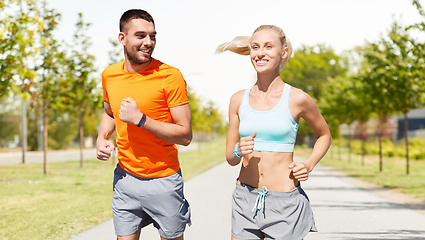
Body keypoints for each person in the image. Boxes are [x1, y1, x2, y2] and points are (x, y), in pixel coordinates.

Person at [217, 25, 332, 240]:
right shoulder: (237, 100)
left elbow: (324, 135)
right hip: (245, 198)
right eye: (255, 47)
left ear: (284, 52)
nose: (260, 53)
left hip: (284, 204)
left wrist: (308, 164)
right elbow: (231, 159)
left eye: (268, 47)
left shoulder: (298, 99)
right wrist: (239, 149)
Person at [96, 9, 192, 240]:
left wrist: (141, 120)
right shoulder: (110, 75)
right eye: (140, 36)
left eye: (153, 36)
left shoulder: (169, 76)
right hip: (125, 179)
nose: (148, 42)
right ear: (122, 38)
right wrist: (101, 138)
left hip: (163, 180)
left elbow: (185, 135)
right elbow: (110, 112)